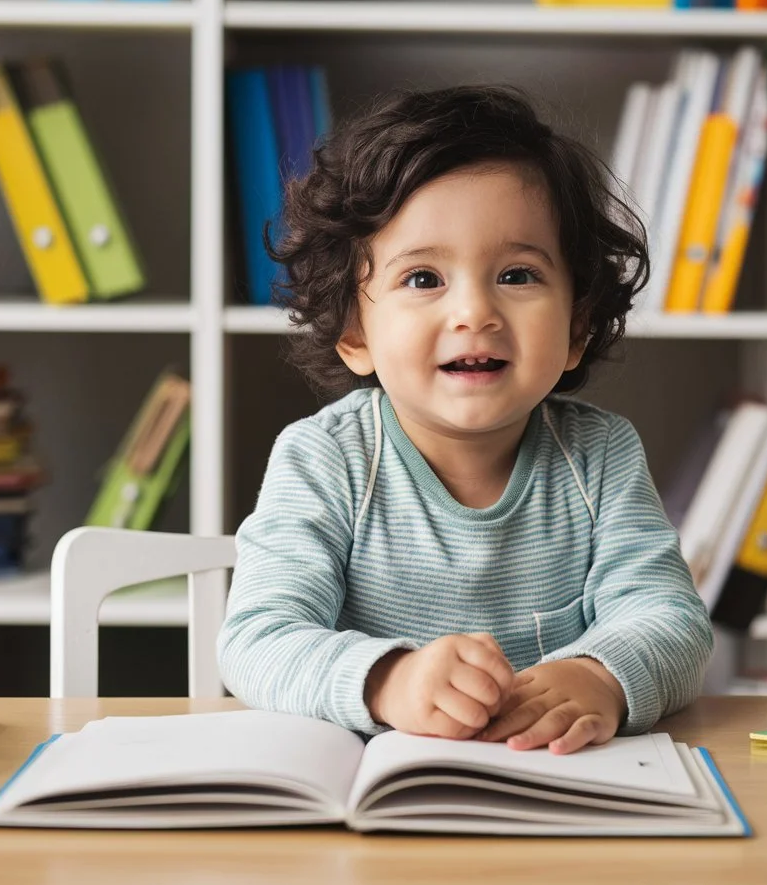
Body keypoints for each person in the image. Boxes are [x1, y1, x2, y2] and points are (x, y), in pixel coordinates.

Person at [217, 84, 713, 755]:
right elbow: (257, 639)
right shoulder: (323, 459)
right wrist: (388, 681)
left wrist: (599, 676)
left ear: (576, 326)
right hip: (379, 807)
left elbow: (671, 621)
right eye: (423, 279)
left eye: (517, 275)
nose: (474, 312)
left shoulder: (600, 456)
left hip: (559, 792)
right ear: (354, 332)